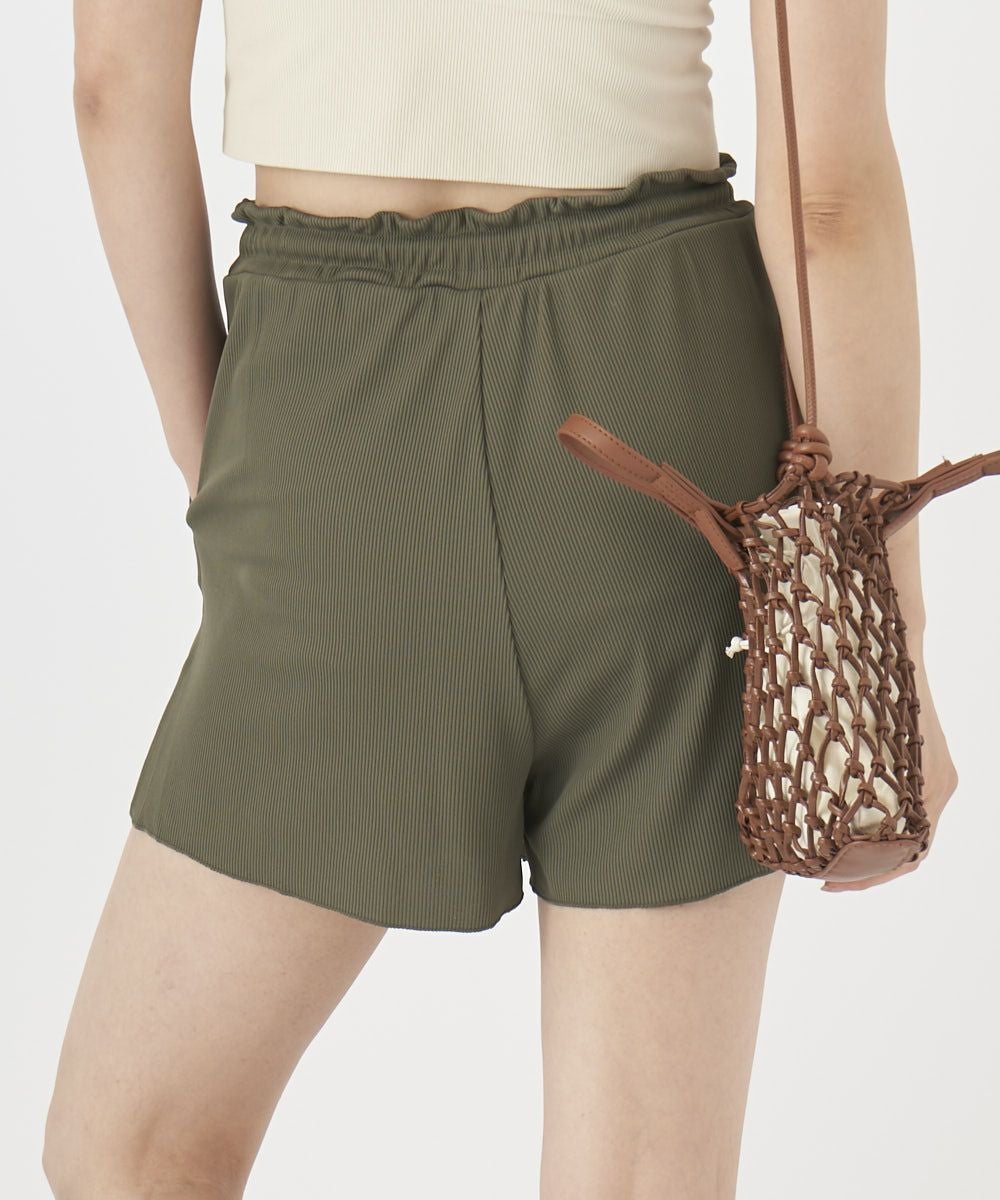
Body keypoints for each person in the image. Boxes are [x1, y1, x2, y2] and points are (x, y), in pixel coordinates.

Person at [44, 2, 958, 1197]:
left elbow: (113, 87)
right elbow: (826, 197)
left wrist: (222, 465)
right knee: (643, 1176)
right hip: (662, 410)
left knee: (129, 1149)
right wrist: (877, 636)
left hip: (329, 415)